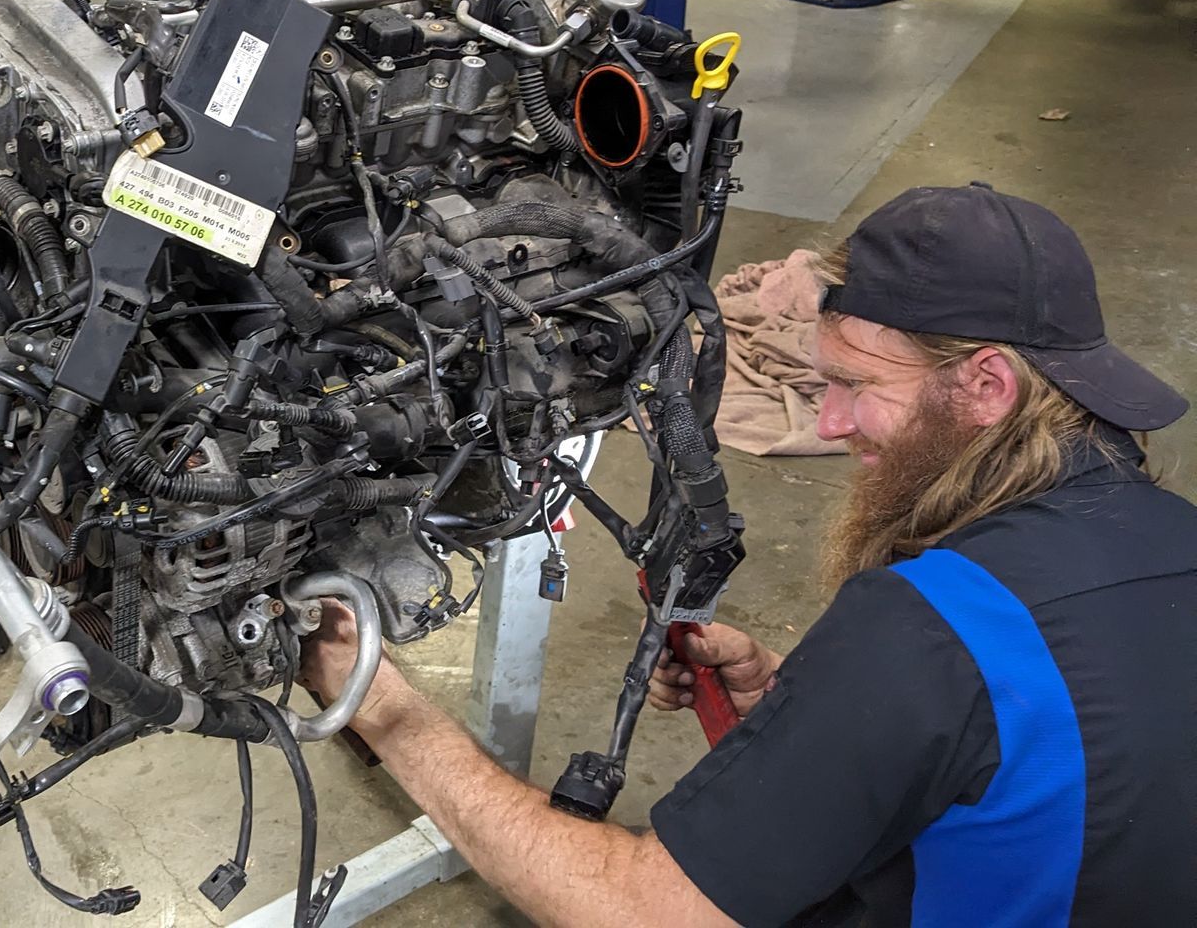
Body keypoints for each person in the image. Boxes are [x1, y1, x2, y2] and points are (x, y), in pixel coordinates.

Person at [300, 185, 1197, 925]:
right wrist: (810, 707)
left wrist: (377, 701)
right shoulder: (1174, 538)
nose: (833, 423)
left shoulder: (927, 631)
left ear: (988, 385)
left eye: (856, 387)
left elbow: (642, 914)